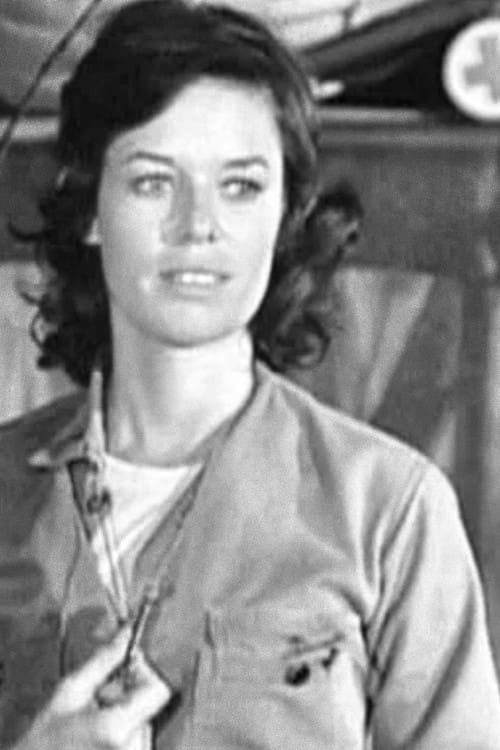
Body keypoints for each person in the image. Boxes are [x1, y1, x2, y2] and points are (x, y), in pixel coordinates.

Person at [2, 1, 500, 749]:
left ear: (287, 213)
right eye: (153, 182)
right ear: (90, 207)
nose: (198, 225)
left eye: (240, 186)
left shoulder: (389, 510)